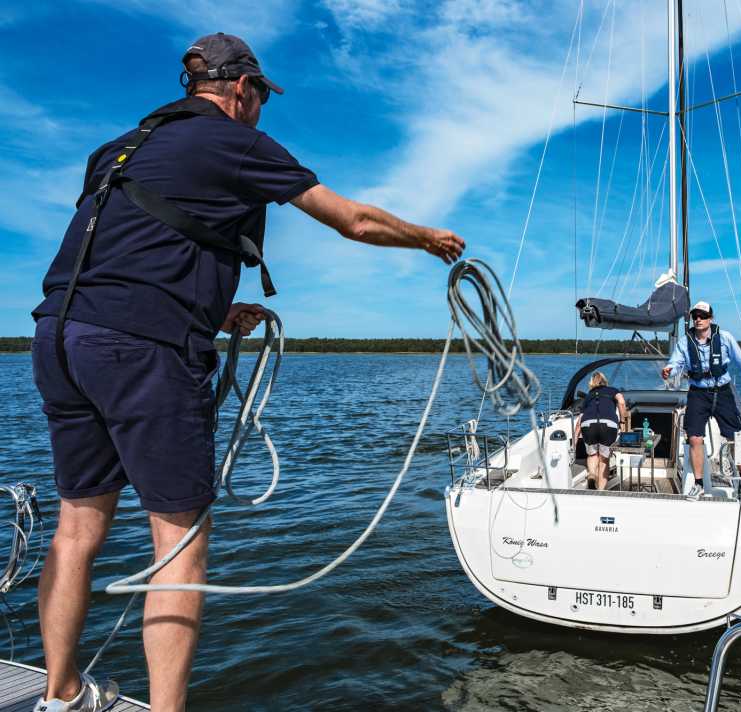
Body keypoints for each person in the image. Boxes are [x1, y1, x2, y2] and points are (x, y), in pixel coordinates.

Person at [29, 33, 464, 712]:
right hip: (141, 349)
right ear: (241, 90)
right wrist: (427, 237)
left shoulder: (119, 146)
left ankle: (59, 694)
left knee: (76, 528)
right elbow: (349, 219)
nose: (262, 109)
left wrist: (214, 306)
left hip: (59, 334)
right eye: (261, 96)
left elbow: (132, 247)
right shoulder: (236, 142)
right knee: (179, 543)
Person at [660, 301, 741, 497]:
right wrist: (669, 370)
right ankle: (699, 484)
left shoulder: (725, 338)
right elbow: (676, 363)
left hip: (723, 391)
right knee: (694, 438)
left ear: (711, 318)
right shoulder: (685, 342)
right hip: (698, 392)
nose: (698, 319)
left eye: (702, 316)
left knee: (736, 436)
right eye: (695, 316)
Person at [573, 372, 628, 490]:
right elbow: (622, 402)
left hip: (588, 425)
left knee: (592, 455)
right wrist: (623, 421)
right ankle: (600, 491)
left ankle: (592, 475)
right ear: (605, 381)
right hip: (608, 425)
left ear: (592, 383)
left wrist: (574, 442)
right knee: (604, 459)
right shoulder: (613, 390)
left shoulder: (589, 395)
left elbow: (579, 422)